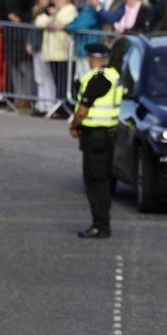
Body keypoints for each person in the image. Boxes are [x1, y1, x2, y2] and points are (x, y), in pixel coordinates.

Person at [69, 44, 122, 239]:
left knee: (94, 182)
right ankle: (102, 222)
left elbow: (83, 109)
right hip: (108, 134)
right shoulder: (114, 76)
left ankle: (100, 225)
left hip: (95, 137)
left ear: (93, 59)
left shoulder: (97, 80)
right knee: (103, 180)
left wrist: (74, 126)